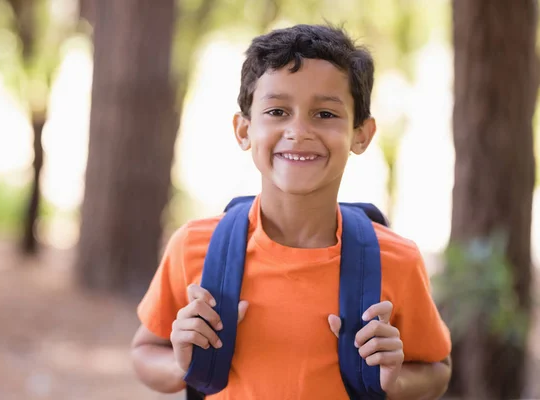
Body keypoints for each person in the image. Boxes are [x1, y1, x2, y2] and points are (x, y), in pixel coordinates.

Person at [131, 24, 452, 400]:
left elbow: (436, 370)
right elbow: (144, 350)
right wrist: (180, 365)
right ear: (244, 130)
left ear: (361, 134)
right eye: (278, 111)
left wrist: (395, 381)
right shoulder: (195, 247)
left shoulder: (396, 260)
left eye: (325, 114)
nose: (298, 131)